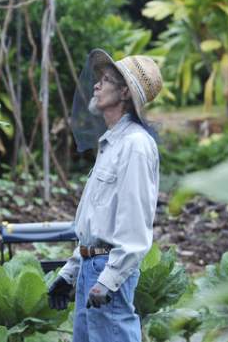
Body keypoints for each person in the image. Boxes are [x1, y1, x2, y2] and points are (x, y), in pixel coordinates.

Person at [48, 49, 163, 342]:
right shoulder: (112, 144)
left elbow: (135, 226)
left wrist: (109, 280)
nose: (96, 86)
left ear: (125, 92)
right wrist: (70, 272)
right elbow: (96, 223)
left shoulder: (135, 146)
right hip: (92, 267)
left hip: (107, 272)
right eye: (98, 79)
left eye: (106, 80)